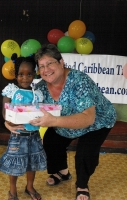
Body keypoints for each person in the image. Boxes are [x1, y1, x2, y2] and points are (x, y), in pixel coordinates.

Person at [28, 44, 117, 200]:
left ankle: (82, 185)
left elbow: (88, 118)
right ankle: (63, 172)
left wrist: (54, 120)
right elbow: (30, 110)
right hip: (65, 121)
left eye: (50, 63)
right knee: (50, 141)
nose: (46, 69)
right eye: (41, 66)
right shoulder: (41, 87)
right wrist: (13, 122)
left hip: (97, 121)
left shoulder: (79, 81)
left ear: (61, 62)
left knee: (85, 152)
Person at [0, 53, 46, 200]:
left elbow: (42, 111)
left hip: (34, 136)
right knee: (15, 163)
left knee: (32, 163)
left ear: (34, 74)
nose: (24, 78)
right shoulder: (11, 90)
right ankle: (12, 190)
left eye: (29, 74)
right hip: (18, 135)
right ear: (15, 75)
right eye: (21, 74)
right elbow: (5, 111)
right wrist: (9, 122)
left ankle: (29, 187)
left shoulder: (37, 93)